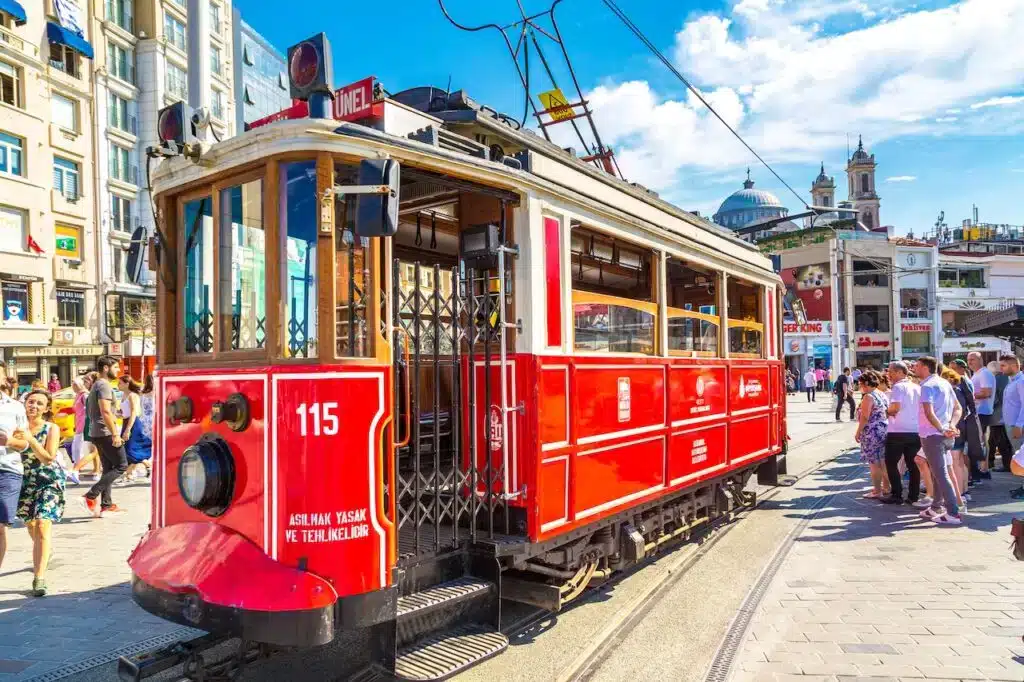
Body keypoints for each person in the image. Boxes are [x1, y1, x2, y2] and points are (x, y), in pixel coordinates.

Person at [13, 390, 63, 596]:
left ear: (47, 408)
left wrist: (31, 440)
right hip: (23, 480)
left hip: (48, 479)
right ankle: (44, 550)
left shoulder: (52, 428)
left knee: (42, 524)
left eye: (39, 403)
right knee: (31, 525)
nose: (33, 406)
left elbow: (48, 458)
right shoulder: (16, 425)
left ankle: (39, 578)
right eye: (30, 401)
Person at [914, 356, 964, 525]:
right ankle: (936, 506)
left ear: (925, 368)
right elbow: (958, 408)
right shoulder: (945, 383)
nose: (914, 368)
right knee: (938, 472)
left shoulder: (927, 385)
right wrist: (951, 425)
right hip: (943, 434)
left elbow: (929, 412)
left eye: (917, 366)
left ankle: (953, 513)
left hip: (933, 435)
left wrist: (944, 428)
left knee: (941, 474)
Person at [79, 356, 128, 517]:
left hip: (97, 432)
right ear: (106, 368)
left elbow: (107, 410)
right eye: (115, 367)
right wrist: (115, 434)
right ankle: (90, 495)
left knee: (108, 468)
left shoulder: (96, 385)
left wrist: (117, 414)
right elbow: (105, 411)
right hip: (105, 432)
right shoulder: (104, 385)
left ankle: (106, 505)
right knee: (121, 466)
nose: (118, 370)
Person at [882, 361, 922, 505]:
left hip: (897, 431)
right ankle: (913, 495)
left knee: (891, 463)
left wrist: (885, 411)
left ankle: (897, 494)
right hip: (915, 430)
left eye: (891, 372)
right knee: (913, 465)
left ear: (900, 372)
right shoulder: (917, 387)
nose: (889, 375)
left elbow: (895, 408)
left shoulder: (898, 387)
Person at [0, 367, 27, 571]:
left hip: (7, 469)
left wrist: (9, 440)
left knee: (0, 526)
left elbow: (24, 444)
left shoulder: (15, 407)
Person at [855, 371, 890, 499]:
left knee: (874, 463)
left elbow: (865, 417)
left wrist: (858, 432)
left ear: (867, 383)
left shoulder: (868, 397)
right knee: (883, 461)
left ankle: (877, 490)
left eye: (861, 384)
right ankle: (886, 487)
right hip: (884, 429)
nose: (860, 387)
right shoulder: (881, 394)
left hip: (872, 432)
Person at [943, 366, 973, 508]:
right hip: (959, 429)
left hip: (955, 430)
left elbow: (957, 412)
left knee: (956, 461)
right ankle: (963, 491)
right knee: (959, 461)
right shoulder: (958, 390)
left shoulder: (954, 392)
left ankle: (959, 494)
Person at [967, 352, 995, 481]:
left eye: (972, 359)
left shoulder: (984, 373)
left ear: (980, 359)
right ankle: (983, 469)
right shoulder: (977, 374)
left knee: (980, 442)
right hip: (979, 411)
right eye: (968, 360)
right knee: (981, 440)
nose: (970, 362)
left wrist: (968, 396)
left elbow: (987, 393)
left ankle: (983, 469)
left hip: (982, 412)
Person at [119, 376, 153, 482]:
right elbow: (125, 411)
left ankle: (129, 474)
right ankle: (147, 465)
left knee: (129, 449)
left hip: (133, 423)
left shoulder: (133, 395)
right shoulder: (124, 395)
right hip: (126, 422)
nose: (118, 385)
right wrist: (119, 414)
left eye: (120, 383)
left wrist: (128, 429)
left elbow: (134, 413)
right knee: (127, 449)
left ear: (127, 384)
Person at [71, 372, 101, 481]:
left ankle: (76, 469)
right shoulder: (82, 395)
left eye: (87, 380)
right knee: (94, 449)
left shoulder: (87, 394)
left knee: (94, 450)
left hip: (90, 425)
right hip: (85, 424)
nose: (84, 382)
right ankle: (96, 471)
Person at [988, 361, 1013, 472]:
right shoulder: (1006, 378)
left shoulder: (996, 380)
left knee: (1001, 441)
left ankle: (1007, 465)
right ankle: (992, 461)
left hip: (997, 416)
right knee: (994, 440)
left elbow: (994, 398)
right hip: (1005, 414)